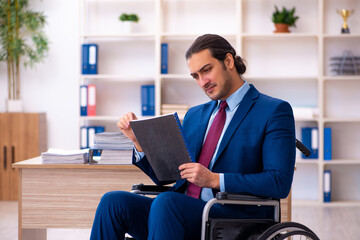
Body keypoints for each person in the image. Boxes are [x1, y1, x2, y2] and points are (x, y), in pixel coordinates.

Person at [90, 34, 296, 240]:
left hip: (232, 216)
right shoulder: (195, 115)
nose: (202, 82)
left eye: (206, 70)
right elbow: (170, 176)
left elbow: (278, 182)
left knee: (166, 202)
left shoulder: (273, 110)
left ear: (229, 61)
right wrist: (138, 142)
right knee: (113, 202)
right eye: (195, 76)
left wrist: (215, 179)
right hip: (179, 211)